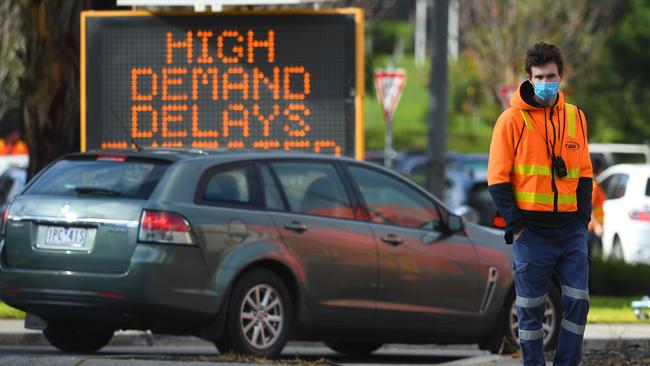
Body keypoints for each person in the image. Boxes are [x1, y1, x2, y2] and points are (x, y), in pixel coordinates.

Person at [487, 42, 592, 366]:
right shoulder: (511, 120)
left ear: (562, 75)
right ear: (529, 78)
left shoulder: (575, 117)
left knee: (578, 304)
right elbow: (497, 179)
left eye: (551, 76)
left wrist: (582, 219)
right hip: (532, 234)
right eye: (539, 77)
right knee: (530, 311)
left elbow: (585, 173)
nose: (546, 82)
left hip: (570, 231)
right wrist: (517, 227)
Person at [588, 159, 606, 258]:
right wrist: (598, 225)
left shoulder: (594, 184)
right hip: (592, 227)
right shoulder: (593, 186)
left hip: (592, 227)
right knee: (589, 257)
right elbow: (590, 209)